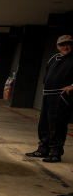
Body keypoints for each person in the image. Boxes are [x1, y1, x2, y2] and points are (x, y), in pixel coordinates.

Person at [25, 35, 73, 163]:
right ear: (57, 46)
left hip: (61, 97)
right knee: (44, 124)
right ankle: (42, 149)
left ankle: (55, 153)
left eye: (68, 44)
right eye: (62, 45)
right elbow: (47, 73)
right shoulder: (53, 58)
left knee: (57, 125)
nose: (65, 47)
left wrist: (72, 86)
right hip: (48, 95)